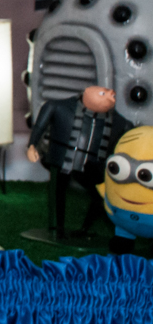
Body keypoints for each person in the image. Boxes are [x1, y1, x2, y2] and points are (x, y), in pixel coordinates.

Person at [27, 85, 131, 240]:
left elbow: (129, 140)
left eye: (112, 95)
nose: (110, 98)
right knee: (57, 190)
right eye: (103, 94)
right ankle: (56, 228)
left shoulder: (120, 122)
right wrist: (32, 145)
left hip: (94, 164)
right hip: (62, 158)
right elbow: (40, 126)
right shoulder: (58, 107)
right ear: (87, 93)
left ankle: (85, 228)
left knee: (100, 194)